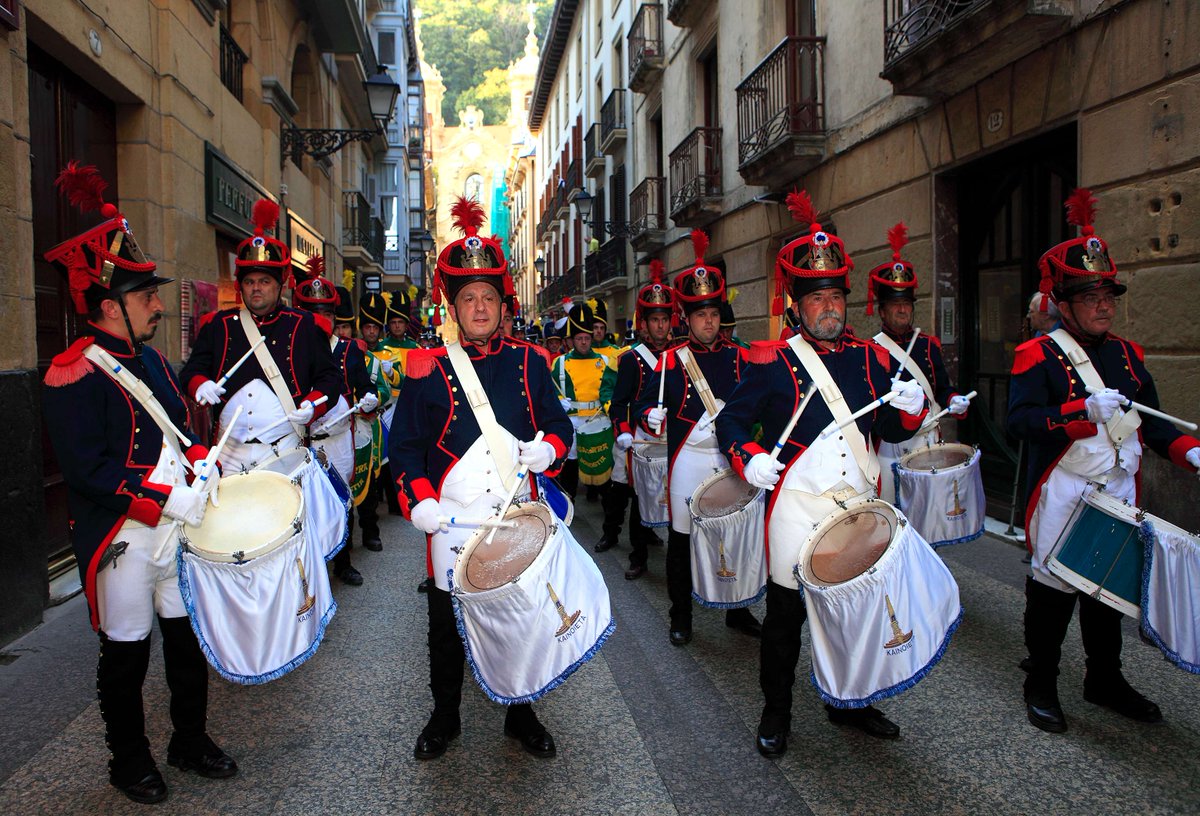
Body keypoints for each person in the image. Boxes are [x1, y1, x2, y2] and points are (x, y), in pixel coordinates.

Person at [42, 162, 237, 804]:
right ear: (109, 306)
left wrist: (203, 460)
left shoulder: (150, 358)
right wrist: (163, 498)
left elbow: (179, 426)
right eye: (145, 296)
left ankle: (189, 739)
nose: (157, 304)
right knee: (126, 653)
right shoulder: (73, 372)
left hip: (176, 526)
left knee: (185, 639)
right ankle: (127, 761)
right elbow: (89, 470)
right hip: (125, 534)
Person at [717, 190, 930, 757]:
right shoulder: (771, 360)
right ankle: (776, 712)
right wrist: (749, 456)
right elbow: (730, 423)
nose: (829, 308)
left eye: (836, 296)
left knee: (855, 612)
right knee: (785, 619)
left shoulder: (872, 359)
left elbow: (894, 427)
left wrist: (911, 407)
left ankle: (850, 703)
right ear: (797, 305)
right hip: (796, 507)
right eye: (817, 298)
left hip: (856, 505)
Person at [1008, 188, 1200, 734]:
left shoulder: (1127, 354)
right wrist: (1079, 411)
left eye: (1108, 295)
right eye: (1090, 296)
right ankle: (1040, 682)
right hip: (1065, 489)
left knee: (1106, 590)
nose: (1103, 305)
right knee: (1053, 592)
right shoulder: (1038, 354)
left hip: (1118, 488)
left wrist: (1190, 452)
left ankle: (1104, 679)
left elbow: (1155, 425)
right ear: (1065, 304)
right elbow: (1020, 423)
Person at [390, 197, 573, 760]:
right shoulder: (426, 366)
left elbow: (559, 426)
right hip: (451, 518)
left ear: (502, 304)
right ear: (454, 305)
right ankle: (444, 716)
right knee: (446, 626)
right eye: (468, 298)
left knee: (521, 617)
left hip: (516, 515)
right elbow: (405, 448)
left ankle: (522, 713)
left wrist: (549, 448)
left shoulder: (531, 362)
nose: (478, 308)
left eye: (488, 298)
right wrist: (419, 499)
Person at [639, 230, 761, 646]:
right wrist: (648, 415)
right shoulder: (670, 361)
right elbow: (642, 404)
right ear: (686, 319)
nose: (708, 321)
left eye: (712, 314)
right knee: (681, 541)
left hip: (730, 460)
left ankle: (738, 609)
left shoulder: (741, 357)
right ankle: (681, 615)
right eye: (699, 315)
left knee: (734, 534)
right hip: (687, 463)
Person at [181, 198, 340, 472]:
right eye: (249, 281)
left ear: (280, 286)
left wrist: (313, 405)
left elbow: (330, 379)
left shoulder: (305, 325)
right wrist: (201, 384)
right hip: (228, 453)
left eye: (265, 281)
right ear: (240, 286)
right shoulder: (218, 325)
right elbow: (191, 372)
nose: (256, 288)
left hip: (284, 451)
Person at [292, 266, 383, 584]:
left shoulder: (349, 350)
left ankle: (343, 562)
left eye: (327, 314)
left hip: (339, 438)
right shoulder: (291, 349)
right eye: (313, 313)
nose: (322, 320)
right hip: (304, 440)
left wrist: (370, 398)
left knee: (342, 498)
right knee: (303, 504)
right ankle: (306, 566)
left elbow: (365, 387)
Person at [867, 222, 970, 503]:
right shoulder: (870, 350)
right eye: (895, 304)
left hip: (928, 439)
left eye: (907, 303)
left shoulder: (928, 344)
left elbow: (942, 388)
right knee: (895, 509)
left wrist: (954, 399)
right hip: (891, 444)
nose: (902, 309)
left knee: (930, 508)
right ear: (882, 310)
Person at [605, 260, 674, 578]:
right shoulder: (632, 359)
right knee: (639, 499)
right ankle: (638, 556)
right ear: (644, 324)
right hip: (641, 441)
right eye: (654, 320)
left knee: (673, 499)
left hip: (672, 441)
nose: (660, 326)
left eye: (664, 319)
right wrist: (623, 431)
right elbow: (618, 403)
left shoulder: (679, 354)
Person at [332, 285, 393, 557]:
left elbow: (383, 390)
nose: (342, 332)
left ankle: (371, 532)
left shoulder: (370, 360)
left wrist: (374, 400)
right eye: (338, 327)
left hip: (363, 429)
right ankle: (342, 544)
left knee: (367, 486)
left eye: (346, 327)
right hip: (335, 432)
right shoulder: (322, 356)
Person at [550, 301, 618, 501]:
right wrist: (558, 401)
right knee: (569, 470)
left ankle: (609, 515)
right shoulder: (560, 362)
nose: (583, 342)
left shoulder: (605, 361)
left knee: (604, 472)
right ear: (572, 340)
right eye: (579, 338)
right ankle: (568, 506)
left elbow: (612, 390)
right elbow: (551, 390)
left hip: (599, 421)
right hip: (572, 423)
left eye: (587, 338)